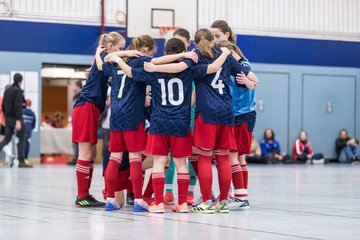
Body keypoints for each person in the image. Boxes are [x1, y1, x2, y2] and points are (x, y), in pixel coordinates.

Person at [114, 37, 230, 213]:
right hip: (181, 123)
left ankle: (159, 202)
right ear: (183, 50)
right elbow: (212, 68)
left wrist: (116, 59)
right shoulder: (188, 70)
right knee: (181, 163)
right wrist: (226, 53)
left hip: (159, 122)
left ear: (166, 52)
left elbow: (131, 73)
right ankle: (182, 203)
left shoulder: (154, 70)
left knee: (159, 162)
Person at [72, 31, 137, 208]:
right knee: (86, 152)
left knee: (91, 152)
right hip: (86, 106)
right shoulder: (105, 56)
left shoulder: (103, 59)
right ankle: (82, 196)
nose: (124, 51)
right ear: (110, 47)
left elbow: (100, 69)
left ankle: (84, 194)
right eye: (121, 48)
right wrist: (128, 53)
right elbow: (105, 61)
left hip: (91, 108)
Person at [98, 35, 155, 212]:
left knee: (114, 158)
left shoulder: (117, 61)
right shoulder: (141, 61)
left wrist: (120, 54)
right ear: (146, 49)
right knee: (135, 158)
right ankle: (138, 199)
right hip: (132, 115)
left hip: (115, 116)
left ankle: (110, 199)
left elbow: (103, 61)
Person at [217, 40, 257, 211]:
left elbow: (254, 79)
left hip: (242, 115)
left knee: (233, 156)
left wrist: (250, 82)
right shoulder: (231, 66)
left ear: (233, 51)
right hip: (238, 115)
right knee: (239, 157)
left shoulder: (242, 64)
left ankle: (241, 198)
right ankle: (240, 195)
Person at [164, 28, 198, 206]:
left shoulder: (192, 60)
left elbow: (196, 90)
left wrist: (188, 107)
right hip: (170, 114)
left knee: (191, 154)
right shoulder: (166, 61)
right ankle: (168, 191)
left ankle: (190, 193)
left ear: (188, 43)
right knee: (170, 154)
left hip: (189, 111)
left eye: (180, 42)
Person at [0, 73, 32, 168]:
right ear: (20, 81)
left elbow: (3, 106)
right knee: (22, 137)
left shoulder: (7, 91)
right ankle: (21, 161)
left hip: (8, 119)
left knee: (7, 139)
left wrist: (6, 117)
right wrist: (18, 121)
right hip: (16, 118)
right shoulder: (18, 91)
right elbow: (18, 106)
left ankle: (21, 160)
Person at [68, 80, 83, 165]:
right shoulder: (76, 96)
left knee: (77, 139)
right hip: (75, 119)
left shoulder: (80, 95)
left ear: (78, 86)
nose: (73, 88)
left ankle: (77, 157)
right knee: (76, 138)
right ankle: (76, 157)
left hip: (79, 120)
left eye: (74, 86)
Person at [0, 84, 14, 166]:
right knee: (8, 141)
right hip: (11, 123)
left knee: (2, 141)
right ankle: (8, 159)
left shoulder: (2, 99)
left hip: (3, 123)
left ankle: (10, 155)